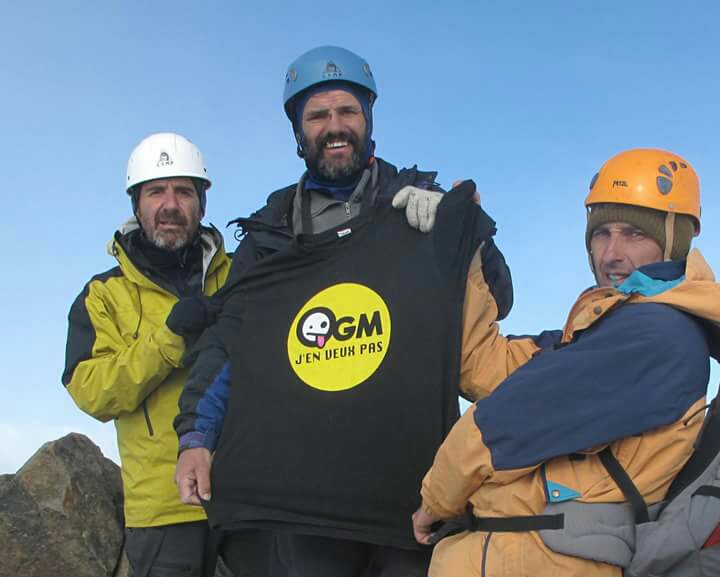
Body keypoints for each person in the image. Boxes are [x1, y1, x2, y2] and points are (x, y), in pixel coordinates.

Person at [174, 46, 513, 577]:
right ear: (299, 132)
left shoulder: (415, 202)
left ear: (368, 118)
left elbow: (499, 296)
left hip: (410, 494)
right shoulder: (273, 233)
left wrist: (464, 232)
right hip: (305, 505)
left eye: (347, 111)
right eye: (318, 115)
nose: (335, 127)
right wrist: (197, 436)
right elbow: (233, 343)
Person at [412, 148, 720, 577]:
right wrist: (468, 241)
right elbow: (482, 366)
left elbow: (504, 421)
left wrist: (436, 500)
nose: (611, 253)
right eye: (601, 233)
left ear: (674, 241)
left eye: (633, 234)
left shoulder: (658, 337)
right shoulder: (593, 338)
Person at [62, 132, 235, 577]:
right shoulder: (103, 294)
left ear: (202, 204)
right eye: (156, 191)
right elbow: (92, 391)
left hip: (249, 496)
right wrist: (169, 339)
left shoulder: (238, 274)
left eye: (184, 191)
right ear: (136, 205)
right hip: (162, 511)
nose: (170, 205)